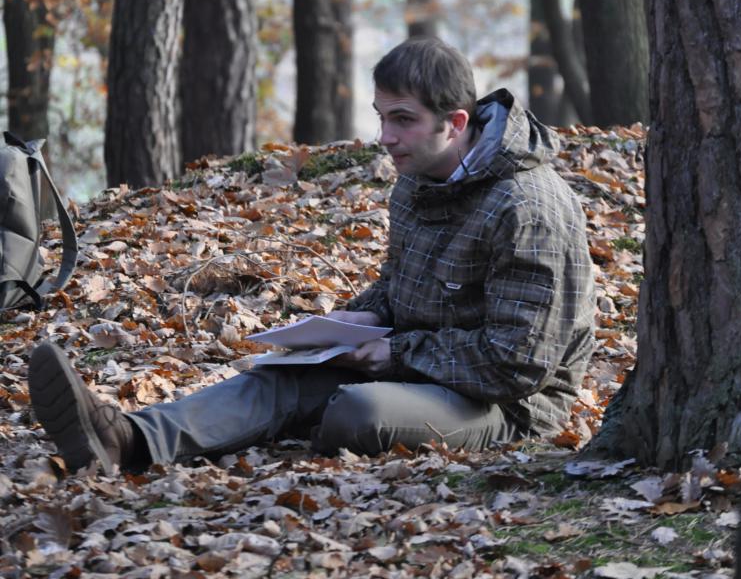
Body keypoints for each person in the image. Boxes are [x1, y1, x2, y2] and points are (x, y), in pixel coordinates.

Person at [27, 38, 595, 476]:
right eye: (381, 116)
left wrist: (392, 352)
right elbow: (402, 287)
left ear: (456, 123)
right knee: (279, 374)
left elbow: (518, 363)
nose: (385, 137)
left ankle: (313, 417)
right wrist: (361, 317)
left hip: (514, 405)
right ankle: (128, 439)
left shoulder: (529, 209)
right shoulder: (419, 179)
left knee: (358, 412)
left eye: (403, 120)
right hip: (426, 364)